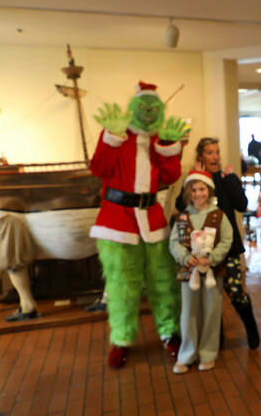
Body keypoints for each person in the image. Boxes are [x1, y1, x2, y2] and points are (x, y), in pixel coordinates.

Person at [90, 82, 189, 369]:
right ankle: (121, 339)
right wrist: (112, 137)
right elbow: (99, 169)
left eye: (153, 109)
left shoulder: (161, 137)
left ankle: (169, 332)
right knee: (122, 286)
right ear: (133, 108)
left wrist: (171, 148)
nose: (147, 113)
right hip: (117, 222)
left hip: (152, 220)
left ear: (160, 111)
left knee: (163, 282)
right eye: (143, 108)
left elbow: (170, 176)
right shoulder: (117, 135)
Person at [177, 137, 260, 349]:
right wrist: (191, 178)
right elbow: (181, 206)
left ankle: (251, 330)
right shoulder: (197, 182)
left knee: (235, 292)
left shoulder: (225, 178)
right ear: (201, 156)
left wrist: (231, 178)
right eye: (210, 153)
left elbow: (241, 204)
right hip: (201, 251)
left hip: (228, 249)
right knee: (209, 296)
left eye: (217, 152)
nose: (215, 156)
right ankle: (216, 340)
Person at [170, 170, 233, 374]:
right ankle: (187, 354)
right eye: (194, 190)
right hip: (189, 273)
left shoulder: (219, 215)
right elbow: (174, 243)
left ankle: (207, 353)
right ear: (189, 192)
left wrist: (212, 257)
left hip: (213, 272)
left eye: (202, 189)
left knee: (211, 313)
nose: (199, 194)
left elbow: (226, 240)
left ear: (209, 190)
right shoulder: (182, 217)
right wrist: (187, 258)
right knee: (188, 313)